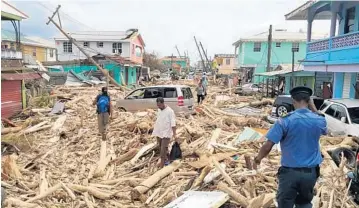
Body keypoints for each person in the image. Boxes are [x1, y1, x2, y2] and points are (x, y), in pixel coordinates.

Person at [253, 86, 327, 208]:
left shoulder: (284, 121)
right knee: (304, 203)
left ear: (293, 100)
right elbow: (324, 127)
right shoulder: (319, 120)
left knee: (285, 204)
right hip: (310, 173)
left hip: (290, 174)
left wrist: (258, 159)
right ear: (309, 101)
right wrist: (313, 108)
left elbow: (268, 146)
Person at [152, 97, 177, 168]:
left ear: (163, 103)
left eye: (159, 105)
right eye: (157, 105)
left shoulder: (170, 111)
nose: (158, 107)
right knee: (162, 148)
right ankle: (169, 160)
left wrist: (174, 134)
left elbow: (173, 123)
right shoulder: (159, 110)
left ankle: (162, 166)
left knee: (163, 150)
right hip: (159, 132)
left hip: (166, 133)